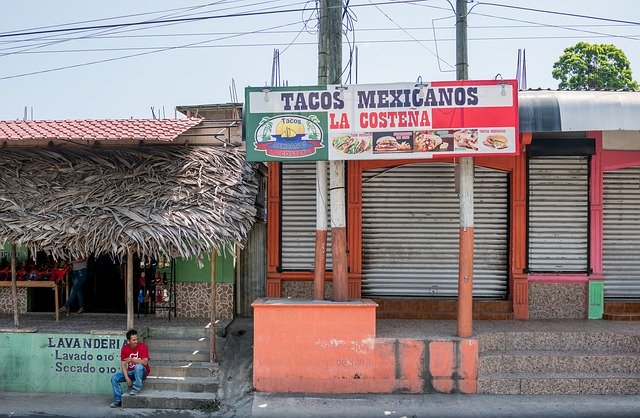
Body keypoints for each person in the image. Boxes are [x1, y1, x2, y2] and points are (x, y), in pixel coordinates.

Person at [110, 329, 150, 408]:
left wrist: (132, 359)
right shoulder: (125, 348)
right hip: (131, 372)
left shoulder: (143, 347)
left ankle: (136, 388)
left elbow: (145, 362)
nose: (136, 341)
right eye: (134, 340)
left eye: (137, 339)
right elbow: (123, 364)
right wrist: (127, 378)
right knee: (114, 377)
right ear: (128, 341)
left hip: (142, 372)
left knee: (138, 366)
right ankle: (118, 400)